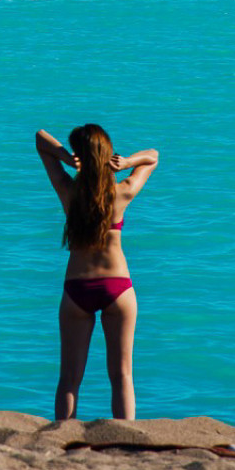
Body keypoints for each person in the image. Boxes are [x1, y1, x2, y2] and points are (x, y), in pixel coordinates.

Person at [34, 124, 158, 420]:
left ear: (80, 156)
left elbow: (40, 139)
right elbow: (153, 156)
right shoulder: (123, 192)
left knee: (69, 380)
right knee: (122, 376)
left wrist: (65, 157)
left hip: (77, 289)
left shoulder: (68, 191)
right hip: (118, 288)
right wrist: (128, 162)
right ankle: (125, 438)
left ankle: (62, 436)